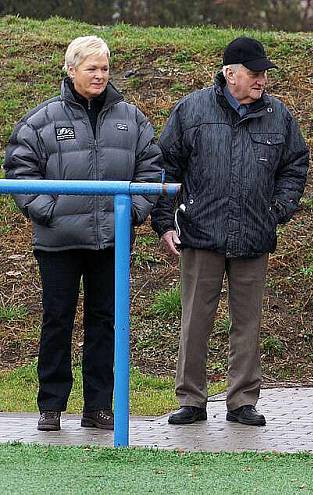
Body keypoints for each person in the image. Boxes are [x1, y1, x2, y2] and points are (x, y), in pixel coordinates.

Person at [4, 36, 162, 432]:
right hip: (58, 242)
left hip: (111, 241)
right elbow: (20, 171)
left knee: (104, 324)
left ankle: (98, 407)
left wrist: (132, 215)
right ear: (71, 70)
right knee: (56, 321)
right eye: (91, 68)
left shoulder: (132, 118)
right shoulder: (41, 120)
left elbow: (151, 167)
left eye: (105, 67)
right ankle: (51, 406)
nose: (100, 75)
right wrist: (49, 211)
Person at [151, 37, 309, 426]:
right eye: (254, 74)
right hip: (201, 234)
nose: (261, 81)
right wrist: (164, 221)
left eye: (264, 74)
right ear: (230, 74)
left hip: (254, 236)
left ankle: (242, 401)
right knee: (195, 320)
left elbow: (295, 165)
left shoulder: (279, 115)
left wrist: (277, 211)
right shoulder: (192, 110)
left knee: (248, 322)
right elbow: (165, 167)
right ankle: (191, 399)